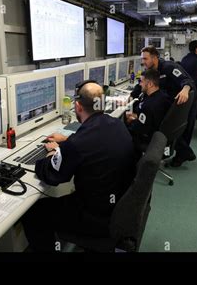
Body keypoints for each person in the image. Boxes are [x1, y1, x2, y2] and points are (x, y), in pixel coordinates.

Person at [21, 81, 136, 252]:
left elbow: (52, 176)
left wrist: (53, 153)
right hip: (120, 205)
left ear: (78, 106)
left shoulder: (78, 143)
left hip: (97, 217)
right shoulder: (117, 124)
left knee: (33, 212)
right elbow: (96, 144)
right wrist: (67, 142)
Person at [138, 46, 196, 167]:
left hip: (182, 101)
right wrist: (132, 96)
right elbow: (144, 83)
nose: (143, 62)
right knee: (164, 125)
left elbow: (187, 80)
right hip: (169, 103)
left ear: (154, 58)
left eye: (145, 58)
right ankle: (184, 152)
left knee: (178, 129)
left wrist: (185, 89)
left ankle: (183, 154)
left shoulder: (169, 67)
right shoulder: (151, 70)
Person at [125, 68, 171, 152]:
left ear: (150, 84)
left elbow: (140, 128)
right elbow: (150, 118)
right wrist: (137, 116)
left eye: (141, 81)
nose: (140, 84)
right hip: (158, 135)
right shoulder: (162, 96)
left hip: (146, 138)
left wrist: (131, 119)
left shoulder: (148, 105)